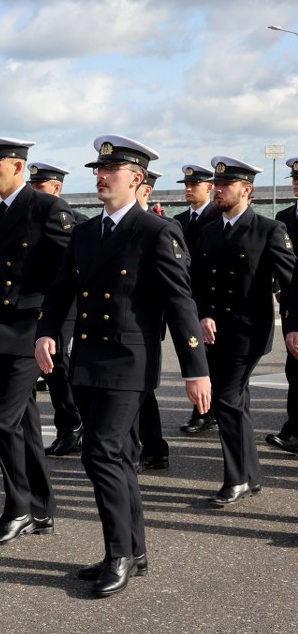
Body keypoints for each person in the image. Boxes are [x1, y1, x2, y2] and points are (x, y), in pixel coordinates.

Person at [36, 134, 211, 598]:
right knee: (116, 459)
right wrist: (47, 331)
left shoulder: (156, 231)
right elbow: (59, 290)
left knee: (100, 452)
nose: (100, 176)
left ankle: (119, 554)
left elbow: (180, 302)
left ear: (136, 179)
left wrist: (196, 369)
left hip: (130, 361)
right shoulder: (86, 232)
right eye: (97, 170)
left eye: (109, 171)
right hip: (89, 360)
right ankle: (133, 550)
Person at [0, 137, 75, 546]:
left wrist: (56, 332)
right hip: (0, 326)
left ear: (18, 168)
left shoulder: (47, 208)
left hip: (33, 329)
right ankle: (41, 509)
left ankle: (19, 507)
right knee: (24, 422)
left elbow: (71, 272)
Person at [191, 156, 294, 504]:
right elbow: (199, 283)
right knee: (237, 403)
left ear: (246, 190)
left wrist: (294, 326)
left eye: (225, 186)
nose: (217, 190)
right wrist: (202, 314)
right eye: (216, 185)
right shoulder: (208, 230)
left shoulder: (268, 230)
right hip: (214, 333)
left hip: (248, 332)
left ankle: (236, 478)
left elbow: (292, 283)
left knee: (225, 400)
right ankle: (251, 476)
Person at [26, 162, 86, 457]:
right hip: (34, 302)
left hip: (63, 303)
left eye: (40, 186)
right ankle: (69, 422)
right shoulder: (25, 217)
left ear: (56, 188)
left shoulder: (74, 220)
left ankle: (71, 424)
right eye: (32, 185)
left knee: (56, 362)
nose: (34, 191)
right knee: (42, 365)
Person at [173, 164, 220, 435]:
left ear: (209, 187)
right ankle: (205, 412)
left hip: (210, 298)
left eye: (194, 185)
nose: (189, 190)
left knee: (208, 359)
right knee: (194, 354)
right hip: (186, 294)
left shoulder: (217, 217)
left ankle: (205, 413)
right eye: (186, 185)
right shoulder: (179, 219)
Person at [132, 170, 171, 473]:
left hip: (144, 325)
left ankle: (154, 448)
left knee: (143, 392)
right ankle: (134, 448)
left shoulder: (161, 227)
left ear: (144, 189)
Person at [267, 156, 298, 453]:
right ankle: (293, 431)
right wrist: (276, 286)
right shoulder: (284, 216)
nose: (296, 183)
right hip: (292, 301)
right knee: (294, 368)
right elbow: (276, 260)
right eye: (294, 178)